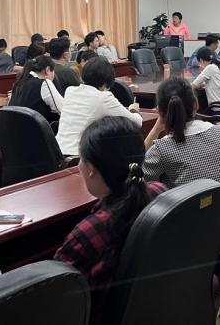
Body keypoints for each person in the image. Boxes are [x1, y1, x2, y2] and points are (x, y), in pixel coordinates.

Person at [54, 117, 166, 325]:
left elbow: (55, 299)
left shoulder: (88, 233)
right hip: (156, 308)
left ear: (91, 169)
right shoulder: (160, 193)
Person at [143, 78, 220, 232]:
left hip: (200, 240)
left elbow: (139, 186)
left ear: (160, 112)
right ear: (196, 104)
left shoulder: (161, 149)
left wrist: (156, 129)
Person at [57, 57, 142, 156]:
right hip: (80, 155)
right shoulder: (103, 97)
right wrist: (133, 110)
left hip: (58, 152)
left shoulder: (70, 91)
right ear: (107, 80)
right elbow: (137, 122)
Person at [8, 55, 63, 127]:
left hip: (16, 130)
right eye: (53, 71)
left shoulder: (19, 83)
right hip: (36, 131)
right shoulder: (44, 83)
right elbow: (63, 110)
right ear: (47, 70)